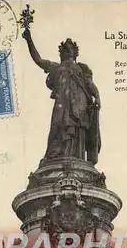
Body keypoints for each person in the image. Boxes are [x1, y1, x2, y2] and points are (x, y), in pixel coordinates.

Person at [22, 28, 101, 163]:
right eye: (65, 49)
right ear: (61, 53)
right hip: (62, 105)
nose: (68, 51)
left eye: (70, 49)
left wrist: (97, 96)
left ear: (76, 53)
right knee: (58, 127)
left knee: (78, 130)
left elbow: (90, 85)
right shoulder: (56, 67)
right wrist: (29, 40)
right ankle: (56, 156)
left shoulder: (83, 69)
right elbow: (39, 60)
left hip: (80, 106)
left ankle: (77, 159)